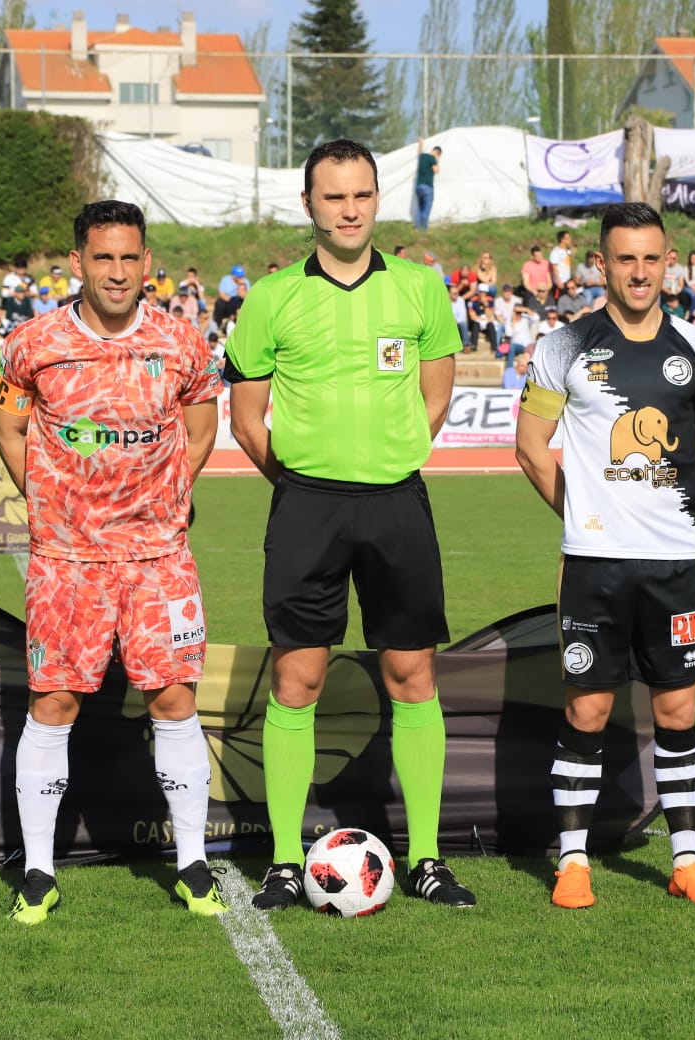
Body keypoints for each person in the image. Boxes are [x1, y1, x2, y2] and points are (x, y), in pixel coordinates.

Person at [225, 138, 474, 910]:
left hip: (397, 501)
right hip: (307, 506)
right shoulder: (271, 298)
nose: (349, 209)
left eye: (361, 194)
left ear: (376, 198)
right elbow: (245, 418)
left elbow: (435, 399)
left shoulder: (420, 289)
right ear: (309, 205)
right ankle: (283, 859)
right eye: (333, 197)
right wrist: (304, 481)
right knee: (296, 680)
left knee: (412, 675)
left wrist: (383, 460)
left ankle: (428, 858)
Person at [0, 200, 226, 923]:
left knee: (175, 701)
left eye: (130, 259)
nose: (118, 273)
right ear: (78, 264)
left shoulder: (184, 342)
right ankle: (37, 871)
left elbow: (202, 420)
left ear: (147, 264)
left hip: (160, 558)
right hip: (68, 561)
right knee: (54, 703)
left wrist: (166, 497)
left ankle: (192, 864)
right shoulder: (33, 343)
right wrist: (47, 497)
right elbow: (9, 420)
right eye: (103, 259)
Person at [514, 202, 695, 911]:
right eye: (625, 259)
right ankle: (573, 863)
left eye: (651, 258)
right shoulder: (563, 346)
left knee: (677, 708)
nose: (639, 272)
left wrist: (669, 507)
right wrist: (588, 513)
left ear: (666, 261)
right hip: (594, 564)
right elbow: (529, 445)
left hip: (674, 564)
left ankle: (687, 861)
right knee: (587, 709)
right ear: (601, 264)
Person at [413, 138, 441, 231]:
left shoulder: (422, 156)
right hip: (427, 187)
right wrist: (437, 160)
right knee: (426, 209)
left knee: (420, 207)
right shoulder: (432, 158)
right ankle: (424, 229)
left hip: (418, 186)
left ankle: (416, 228)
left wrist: (421, 143)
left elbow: (420, 151)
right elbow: (436, 171)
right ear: (438, 153)